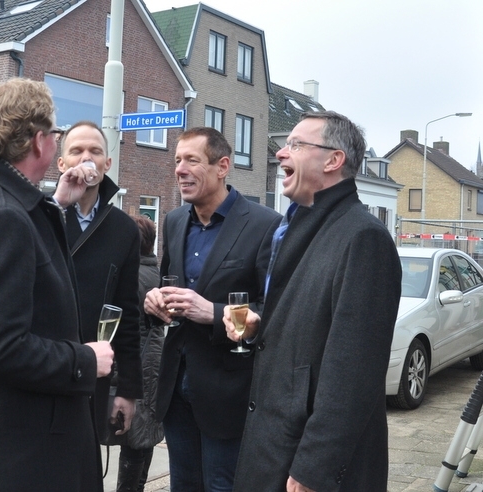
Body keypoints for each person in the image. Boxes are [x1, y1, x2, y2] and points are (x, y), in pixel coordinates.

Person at [0, 78, 114, 491]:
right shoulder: (1, 217)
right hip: (20, 451)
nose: (55, 140)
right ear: (39, 142)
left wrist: (58, 204)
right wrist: (84, 360)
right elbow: (1, 347)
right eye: (55, 133)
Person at [224, 111, 402, 492]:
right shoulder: (299, 227)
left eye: (295, 145)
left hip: (304, 464)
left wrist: (315, 469)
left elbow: (354, 372)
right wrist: (258, 325)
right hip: (277, 445)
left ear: (333, 160)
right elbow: (305, 323)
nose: (280, 153)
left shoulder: (363, 238)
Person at [143, 127, 281, 491]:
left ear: (222, 166)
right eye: (177, 160)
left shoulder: (265, 225)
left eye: (192, 160)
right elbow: (168, 284)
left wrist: (216, 313)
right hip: (176, 389)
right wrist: (154, 301)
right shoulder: (174, 221)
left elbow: (276, 311)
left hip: (229, 393)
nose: (180, 169)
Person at [53, 121, 142, 448]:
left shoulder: (124, 229)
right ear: (61, 163)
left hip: (96, 376)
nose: (86, 158)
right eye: (76, 151)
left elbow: (128, 313)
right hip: (47, 367)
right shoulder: (41, 215)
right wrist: (57, 206)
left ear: (107, 164)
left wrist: (128, 390)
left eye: (95, 151)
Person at [115, 215, 164, 492]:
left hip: (139, 361)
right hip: (154, 361)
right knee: (144, 436)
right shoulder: (156, 274)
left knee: (136, 436)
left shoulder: (131, 276)